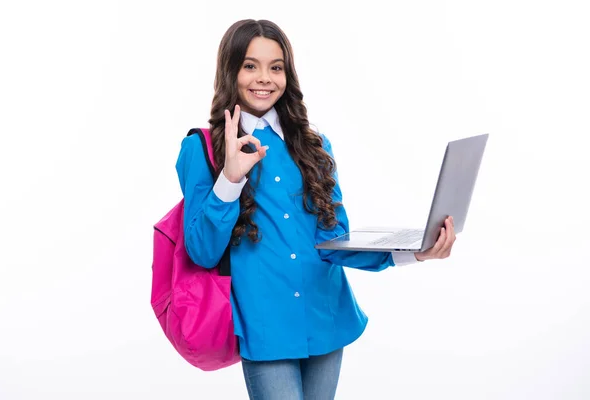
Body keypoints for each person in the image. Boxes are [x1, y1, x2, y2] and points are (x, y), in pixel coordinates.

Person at [175, 19, 456, 400]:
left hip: (326, 315)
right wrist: (229, 180)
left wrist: (413, 252)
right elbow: (201, 251)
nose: (265, 78)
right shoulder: (202, 148)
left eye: (276, 67)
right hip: (264, 326)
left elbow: (333, 240)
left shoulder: (314, 144)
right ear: (230, 71)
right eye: (250, 65)